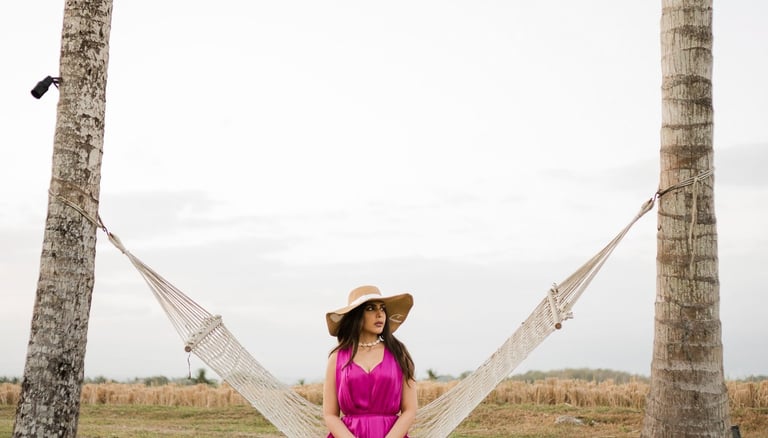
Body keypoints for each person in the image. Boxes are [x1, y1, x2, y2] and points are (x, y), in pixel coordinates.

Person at [323, 285, 417, 438]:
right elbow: (330, 415)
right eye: (370, 308)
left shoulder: (399, 354)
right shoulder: (337, 357)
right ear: (356, 315)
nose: (380, 314)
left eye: (382, 308)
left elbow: (410, 409)